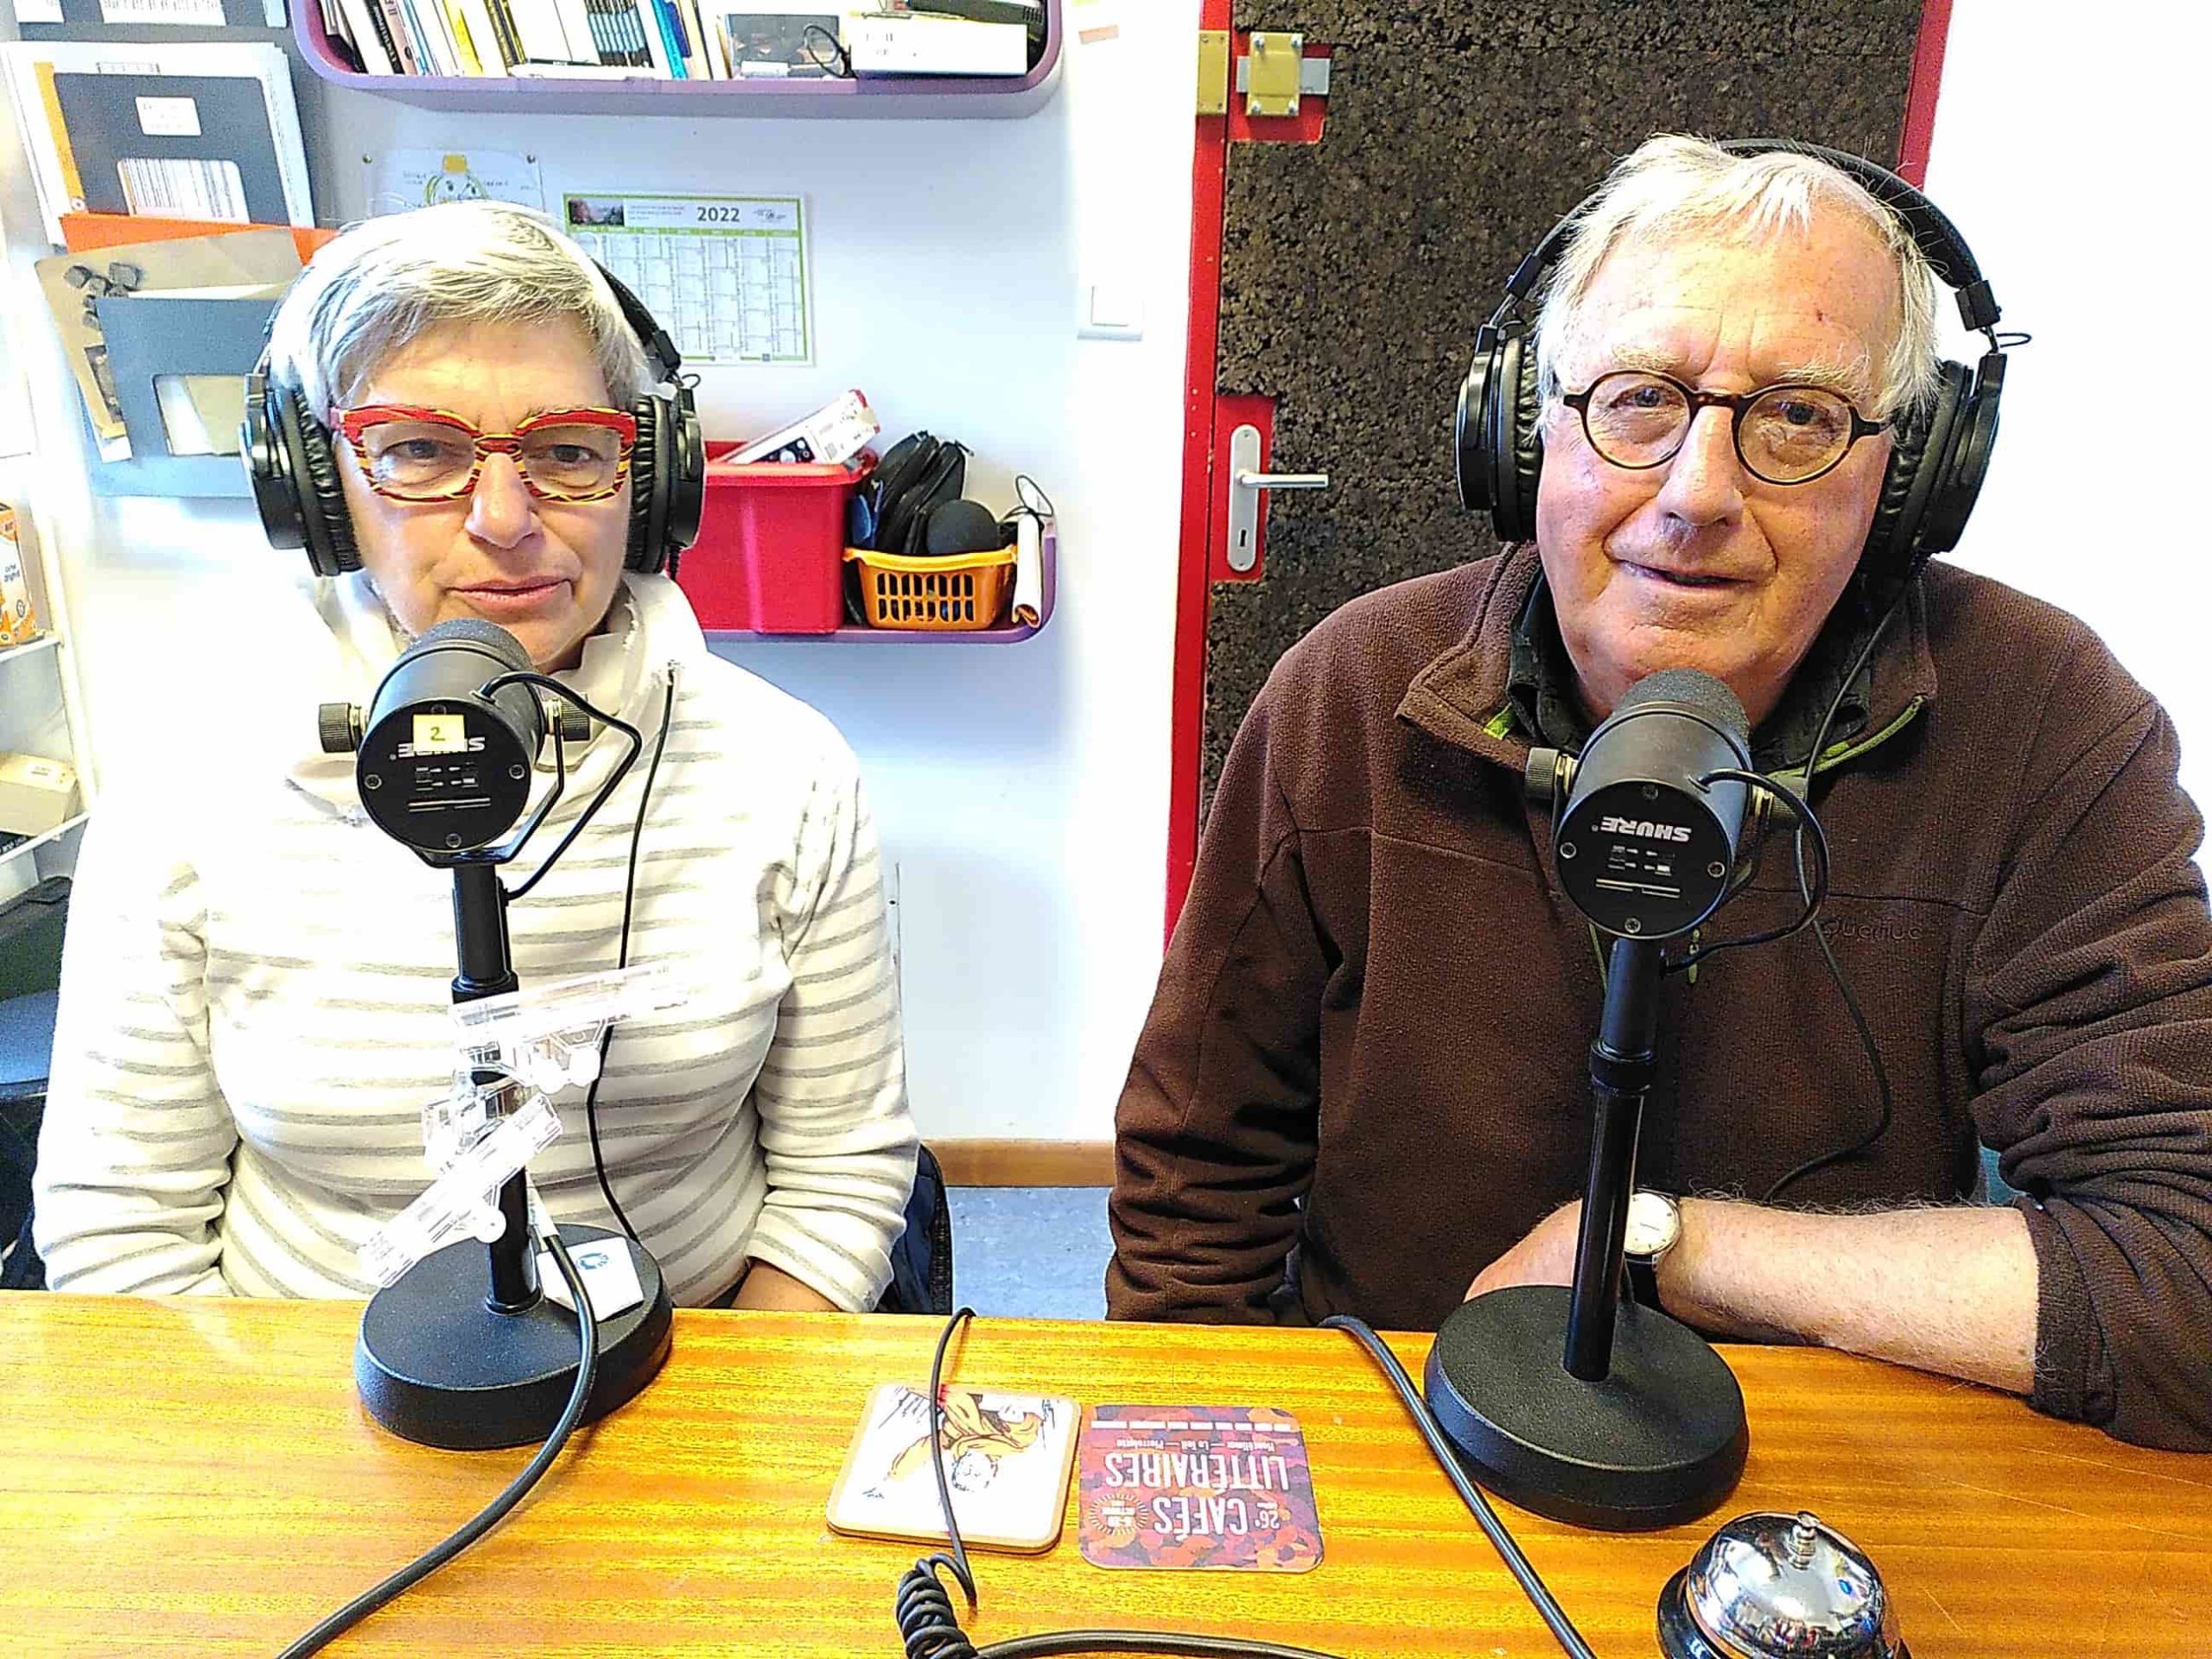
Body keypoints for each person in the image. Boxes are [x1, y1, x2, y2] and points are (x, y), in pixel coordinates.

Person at [1107, 135, 2212, 1451]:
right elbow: (1198, 1188)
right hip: (1400, 1424)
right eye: (1639, 400)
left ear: (1912, 476)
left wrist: (1665, 1245)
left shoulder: (2045, 721)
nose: (1697, 494)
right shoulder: (1352, 693)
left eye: (1797, 416)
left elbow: (2185, 1277)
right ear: (1527, 436)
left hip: (1829, 1452)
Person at [34, 200, 916, 1311]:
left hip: (696, 1363)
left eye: (566, 452)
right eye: (417, 451)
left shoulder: (789, 769)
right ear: (316, 489)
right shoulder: (187, 784)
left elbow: (838, 1176)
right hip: (298, 1398)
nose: (504, 518)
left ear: (649, 481)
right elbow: (121, 1227)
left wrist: (716, 1441)